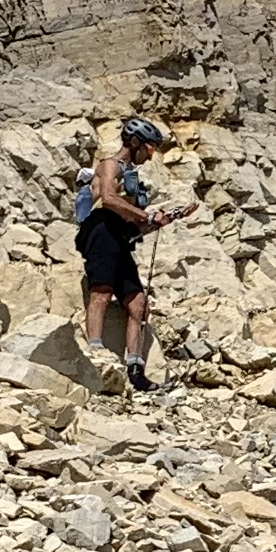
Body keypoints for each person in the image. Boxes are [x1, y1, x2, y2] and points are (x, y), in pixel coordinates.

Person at [77, 116, 176, 389]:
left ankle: (135, 369)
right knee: (101, 291)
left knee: (138, 304)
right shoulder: (110, 165)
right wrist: (146, 214)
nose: (150, 154)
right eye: (150, 148)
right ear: (135, 143)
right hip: (101, 232)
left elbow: (132, 220)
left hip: (119, 236)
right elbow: (108, 199)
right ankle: (96, 355)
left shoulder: (131, 174)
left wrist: (157, 221)